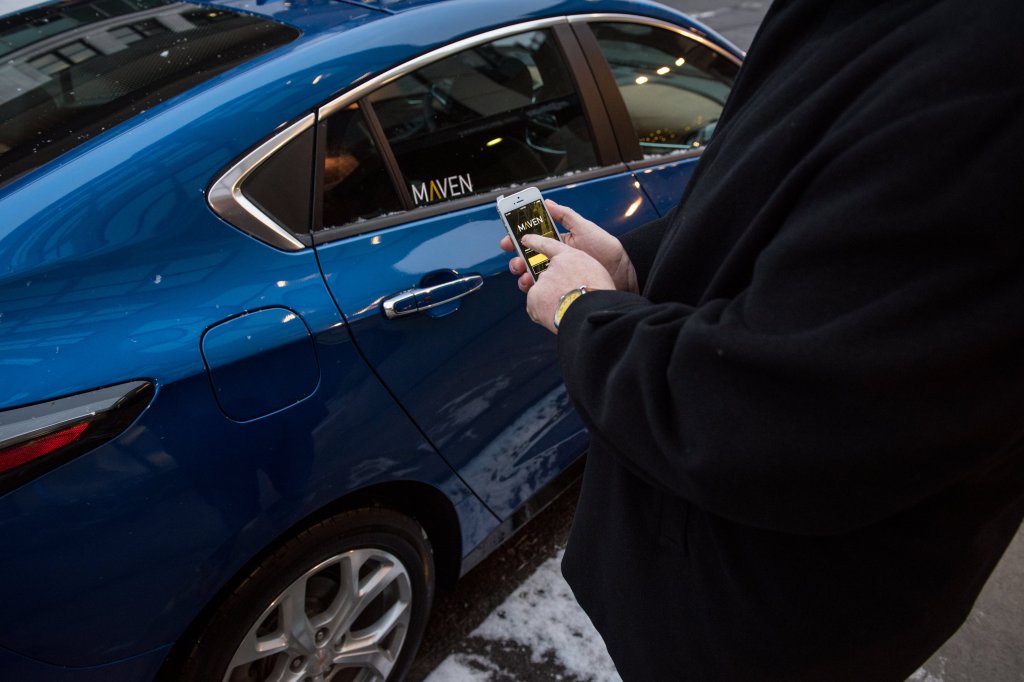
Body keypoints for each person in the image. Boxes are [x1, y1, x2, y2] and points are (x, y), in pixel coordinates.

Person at [500, 0, 1024, 679]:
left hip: (767, 634)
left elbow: (769, 417)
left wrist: (583, 308)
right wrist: (638, 269)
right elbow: (781, 210)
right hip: (710, 598)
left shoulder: (988, 81)